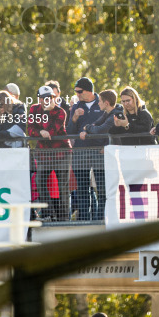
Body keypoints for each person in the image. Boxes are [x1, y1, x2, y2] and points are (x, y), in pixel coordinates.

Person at [27, 85, 71, 222]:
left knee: (63, 186)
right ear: (39, 99)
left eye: (50, 97)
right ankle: (48, 214)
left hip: (62, 153)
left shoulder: (60, 111)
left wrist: (46, 113)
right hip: (44, 154)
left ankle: (63, 219)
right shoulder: (34, 109)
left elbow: (51, 131)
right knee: (40, 181)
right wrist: (39, 132)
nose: (48, 100)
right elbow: (30, 129)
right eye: (44, 98)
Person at [68, 77, 106, 221]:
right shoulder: (77, 106)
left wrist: (106, 145)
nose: (77, 94)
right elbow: (70, 131)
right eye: (76, 92)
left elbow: (110, 126)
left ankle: (100, 220)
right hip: (81, 152)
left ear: (89, 90)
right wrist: (74, 118)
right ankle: (83, 220)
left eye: (80, 91)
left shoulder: (102, 102)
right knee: (83, 189)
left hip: (99, 152)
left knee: (101, 188)